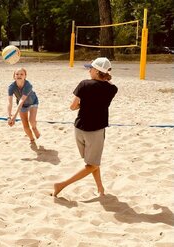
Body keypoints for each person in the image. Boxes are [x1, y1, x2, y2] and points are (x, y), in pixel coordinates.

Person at [53, 57, 118, 197]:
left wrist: (84, 104)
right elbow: (108, 85)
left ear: (96, 71)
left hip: (79, 128)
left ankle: (100, 189)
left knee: (92, 162)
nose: (89, 70)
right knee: (92, 164)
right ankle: (61, 185)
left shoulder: (83, 84)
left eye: (91, 68)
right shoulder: (112, 89)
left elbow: (72, 107)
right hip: (95, 131)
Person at [7, 68, 40, 144]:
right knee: (25, 126)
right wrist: (9, 117)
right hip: (22, 105)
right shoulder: (11, 87)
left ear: (25, 76)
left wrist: (14, 117)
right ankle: (32, 139)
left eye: (21, 74)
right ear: (14, 76)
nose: (19, 75)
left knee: (31, 120)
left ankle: (34, 128)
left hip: (33, 102)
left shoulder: (28, 85)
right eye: (17, 74)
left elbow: (22, 101)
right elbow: (9, 102)